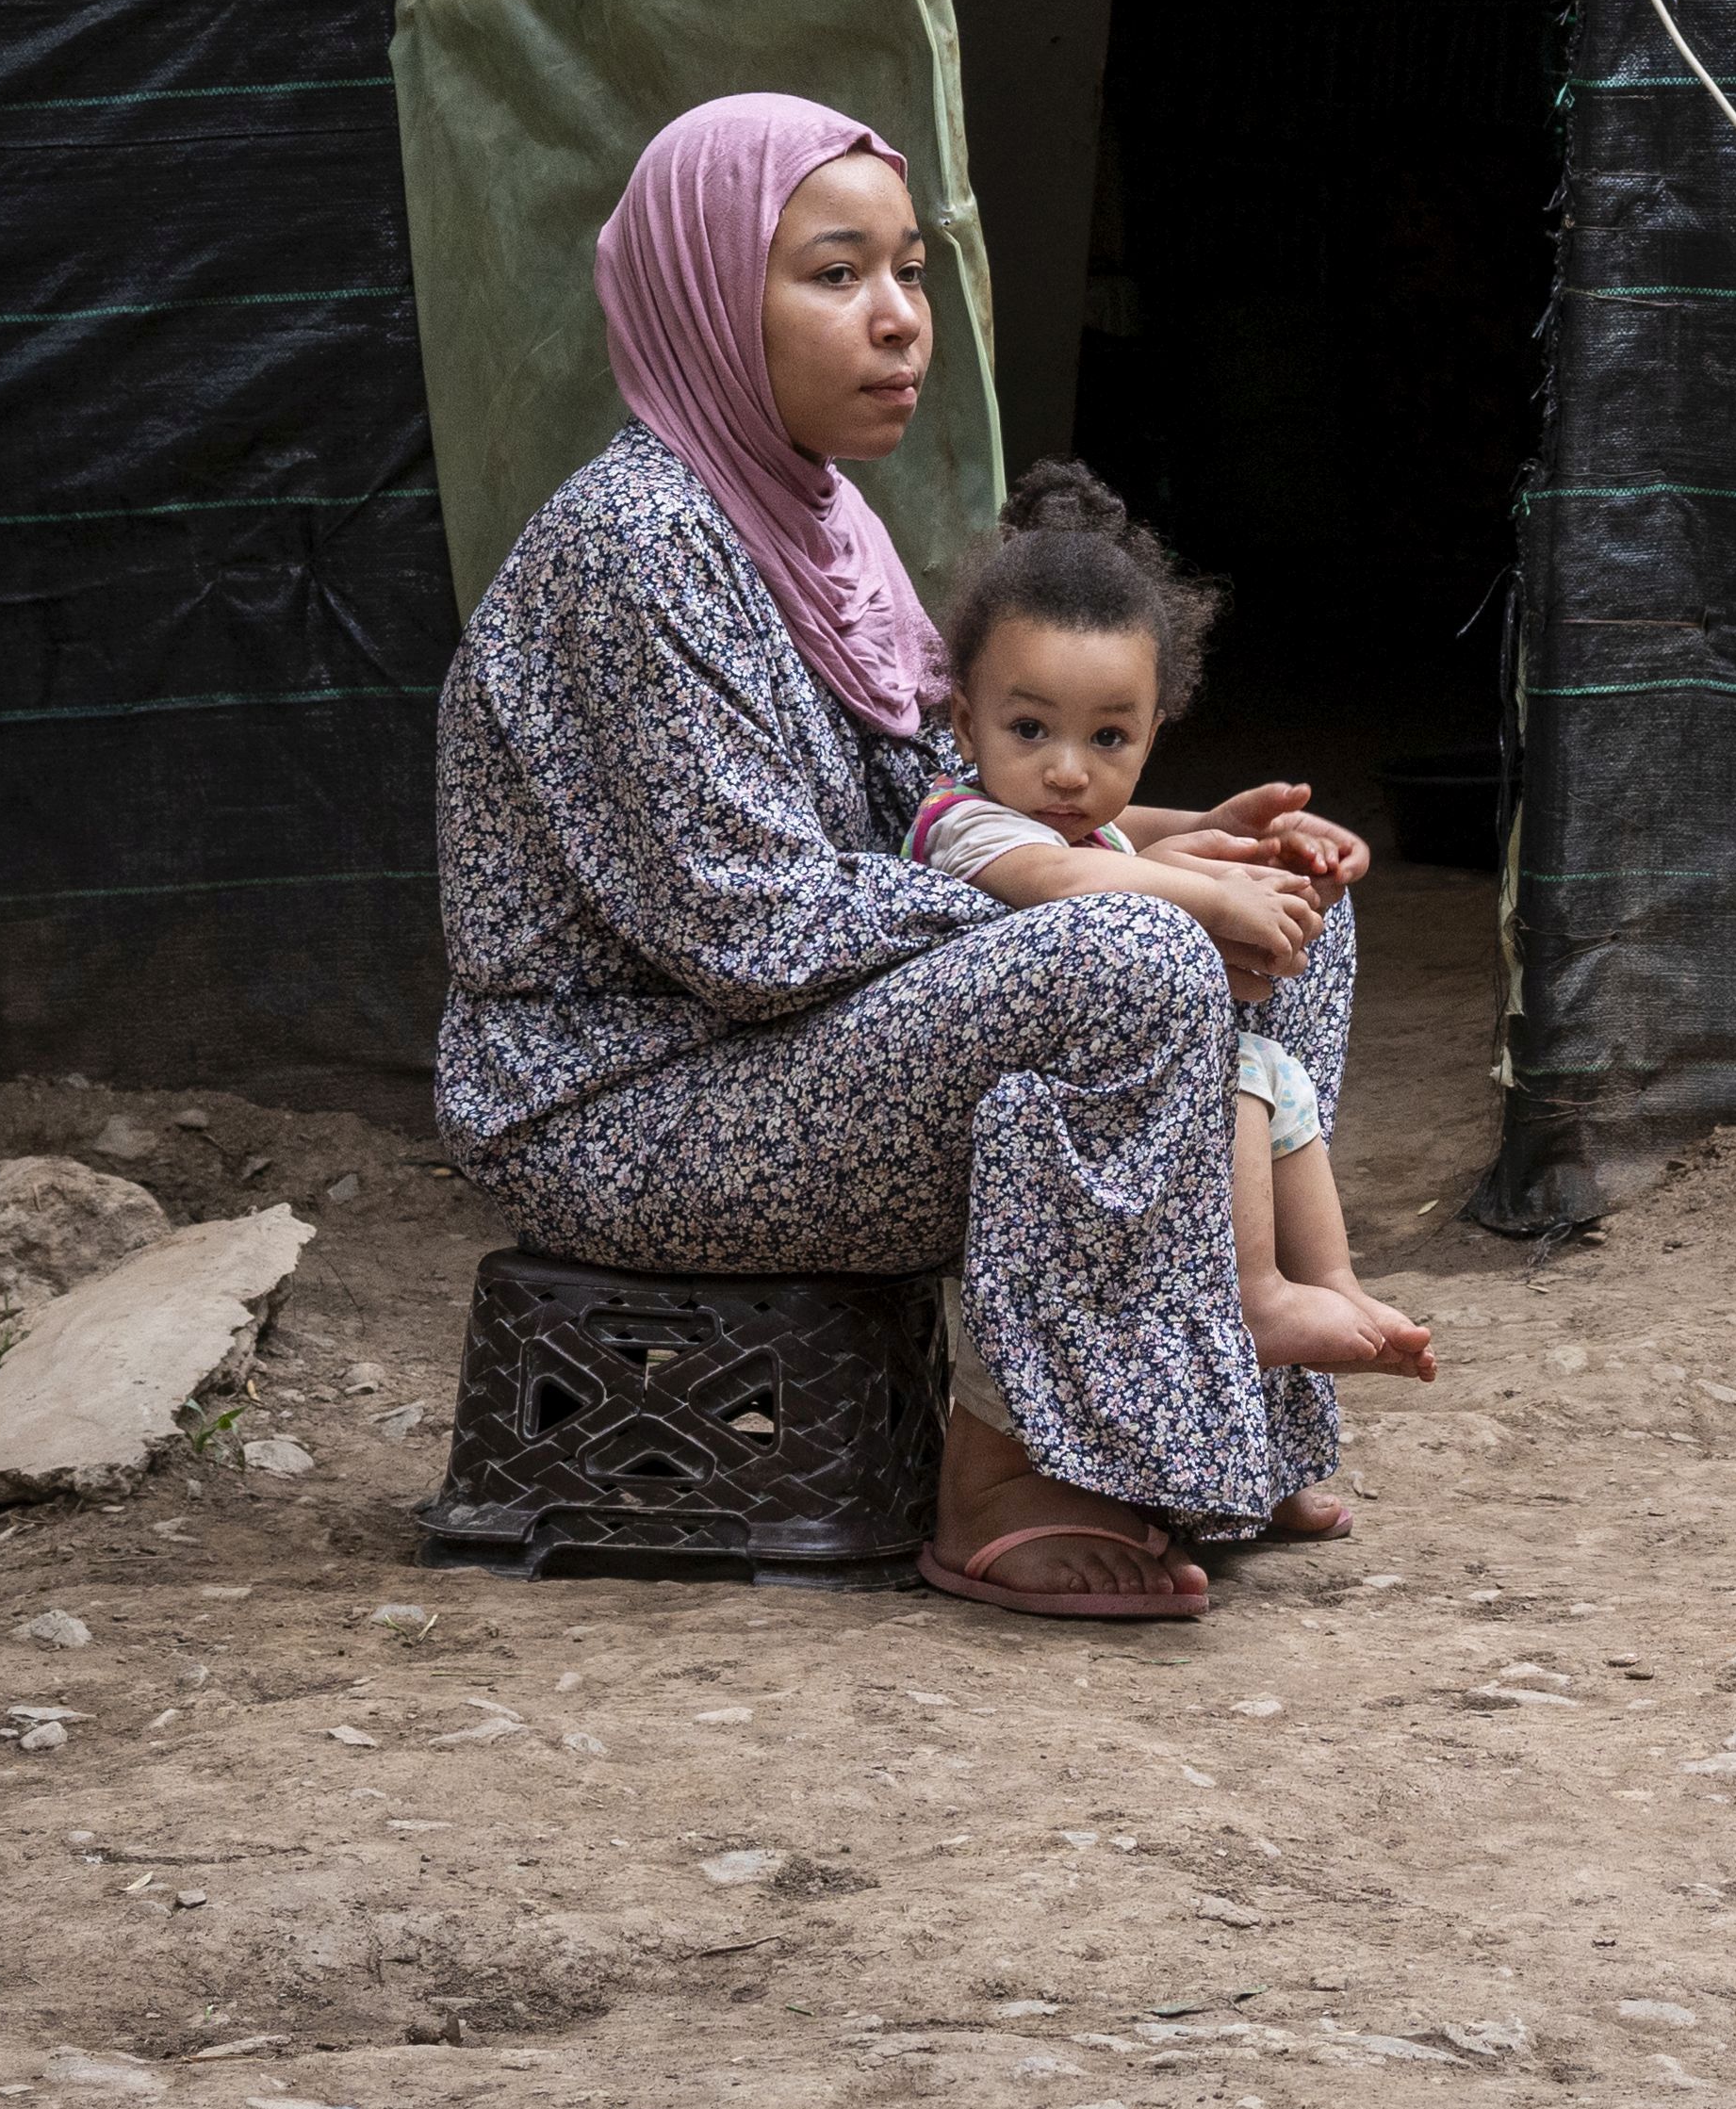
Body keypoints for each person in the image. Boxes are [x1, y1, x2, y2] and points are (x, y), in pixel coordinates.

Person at [433, 90, 1362, 1626]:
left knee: (1279, 908)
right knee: (1134, 955)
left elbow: (929, 810)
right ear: (706, 291)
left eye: (911, 272)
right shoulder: (639, 537)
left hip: (784, 1052)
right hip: (624, 1098)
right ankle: (1013, 1469)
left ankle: (1217, 1430)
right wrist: (1112, 889)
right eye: (833, 271)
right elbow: (746, 920)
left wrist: (1167, 838)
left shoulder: (814, 523)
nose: (896, 320)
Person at [919, 472, 1433, 1387]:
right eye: (1030, 728)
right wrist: (1217, 899)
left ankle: (1334, 1284)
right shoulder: (966, 820)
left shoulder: (1062, 808)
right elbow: (1064, 872)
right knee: (1237, 1078)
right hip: (1024, 1119)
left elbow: (1127, 832)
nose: (1068, 772)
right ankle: (1259, 1292)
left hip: (1122, 1094)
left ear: (1152, 731)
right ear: (966, 722)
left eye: (1107, 738)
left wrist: (1241, 830)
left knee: (1273, 1075)